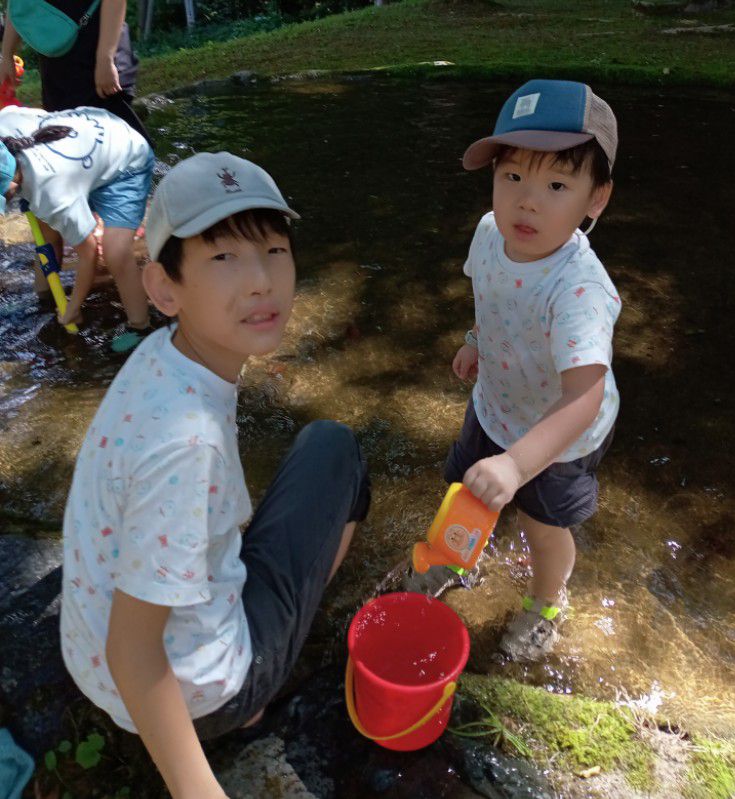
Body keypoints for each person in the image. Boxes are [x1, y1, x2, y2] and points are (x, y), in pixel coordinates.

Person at [59, 151, 370, 797]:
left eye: (274, 249)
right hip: (193, 693)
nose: (260, 280)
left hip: (91, 668)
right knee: (336, 450)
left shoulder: (160, 357)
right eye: (223, 257)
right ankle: (257, 687)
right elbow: (134, 649)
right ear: (163, 287)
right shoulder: (187, 444)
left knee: (305, 461)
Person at [409, 79, 621, 662]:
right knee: (466, 487)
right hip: (496, 402)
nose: (528, 201)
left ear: (594, 200)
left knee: (541, 524)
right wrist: (476, 339)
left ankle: (547, 602)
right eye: (513, 177)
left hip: (560, 434)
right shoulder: (489, 232)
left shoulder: (578, 288)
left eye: (556, 184)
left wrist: (518, 462)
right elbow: (491, 295)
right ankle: (451, 558)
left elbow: (583, 395)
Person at [0, 104, 154, 350]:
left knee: (115, 252)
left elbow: (89, 251)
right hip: (83, 146)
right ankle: (43, 295)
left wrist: (74, 306)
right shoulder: (4, 127)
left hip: (125, 158)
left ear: (12, 184)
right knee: (48, 233)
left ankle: (141, 328)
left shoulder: (53, 193)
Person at [0, 0, 150, 144]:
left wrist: (105, 59)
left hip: (101, 46)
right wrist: (7, 54)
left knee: (122, 138)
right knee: (64, 136)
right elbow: (19, 5)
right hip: (57, 58)